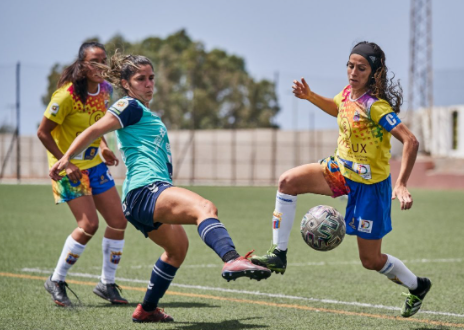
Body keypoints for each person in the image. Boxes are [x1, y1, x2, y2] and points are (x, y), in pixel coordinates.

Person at [49, 52, 272, 323]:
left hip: (142, 198)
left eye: (151, 78)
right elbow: (93, 130)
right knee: (205, 207)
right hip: (146, 190)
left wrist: (105, 150)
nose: (148, 84)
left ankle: (147, 309)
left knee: (177, 250)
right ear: (126, 83)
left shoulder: (141, 110)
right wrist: (66, 157)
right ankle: (232, 258)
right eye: (140, 79)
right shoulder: (128, 105)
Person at [251, 41, 431, 318]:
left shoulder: (376, 107)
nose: (353, 72)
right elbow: (337, 108)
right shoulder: (347, 94)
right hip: (339, 171)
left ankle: (417, 286)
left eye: (361, 68)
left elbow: (411, 140)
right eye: (350, 65)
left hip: (371, 188)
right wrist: (310, 96)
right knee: (287, 182)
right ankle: (278, 254)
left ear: (374, 74)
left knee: (370, 260)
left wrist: (402, 183)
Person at [37, 42, 128, 307]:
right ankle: (56, 279)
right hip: (67, 169)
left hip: (95, 166)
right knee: (89, 225)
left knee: (118, 222)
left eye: (104, 60)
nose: (101, 65)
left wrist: (104, 148)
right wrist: (66, 164)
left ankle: (107, 284)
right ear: (83, 65)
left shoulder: (105, 91)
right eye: (94, 61)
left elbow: (97, 127)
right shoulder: (65, 96)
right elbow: (43, 132)